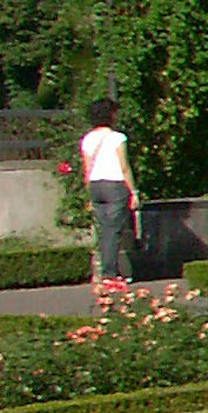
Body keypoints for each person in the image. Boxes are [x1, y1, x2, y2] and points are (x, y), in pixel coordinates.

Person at [76, 99, 136, 286]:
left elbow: (87, 169)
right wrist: (134, 191)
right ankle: (109, 273)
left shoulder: (87, 139)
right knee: (113, 230)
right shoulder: (117, 138)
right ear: (110, 115)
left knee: (104, 230)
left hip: (96, 186)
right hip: (115, 185)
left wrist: (88, 194)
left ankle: (107, 270)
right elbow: (124, 167)